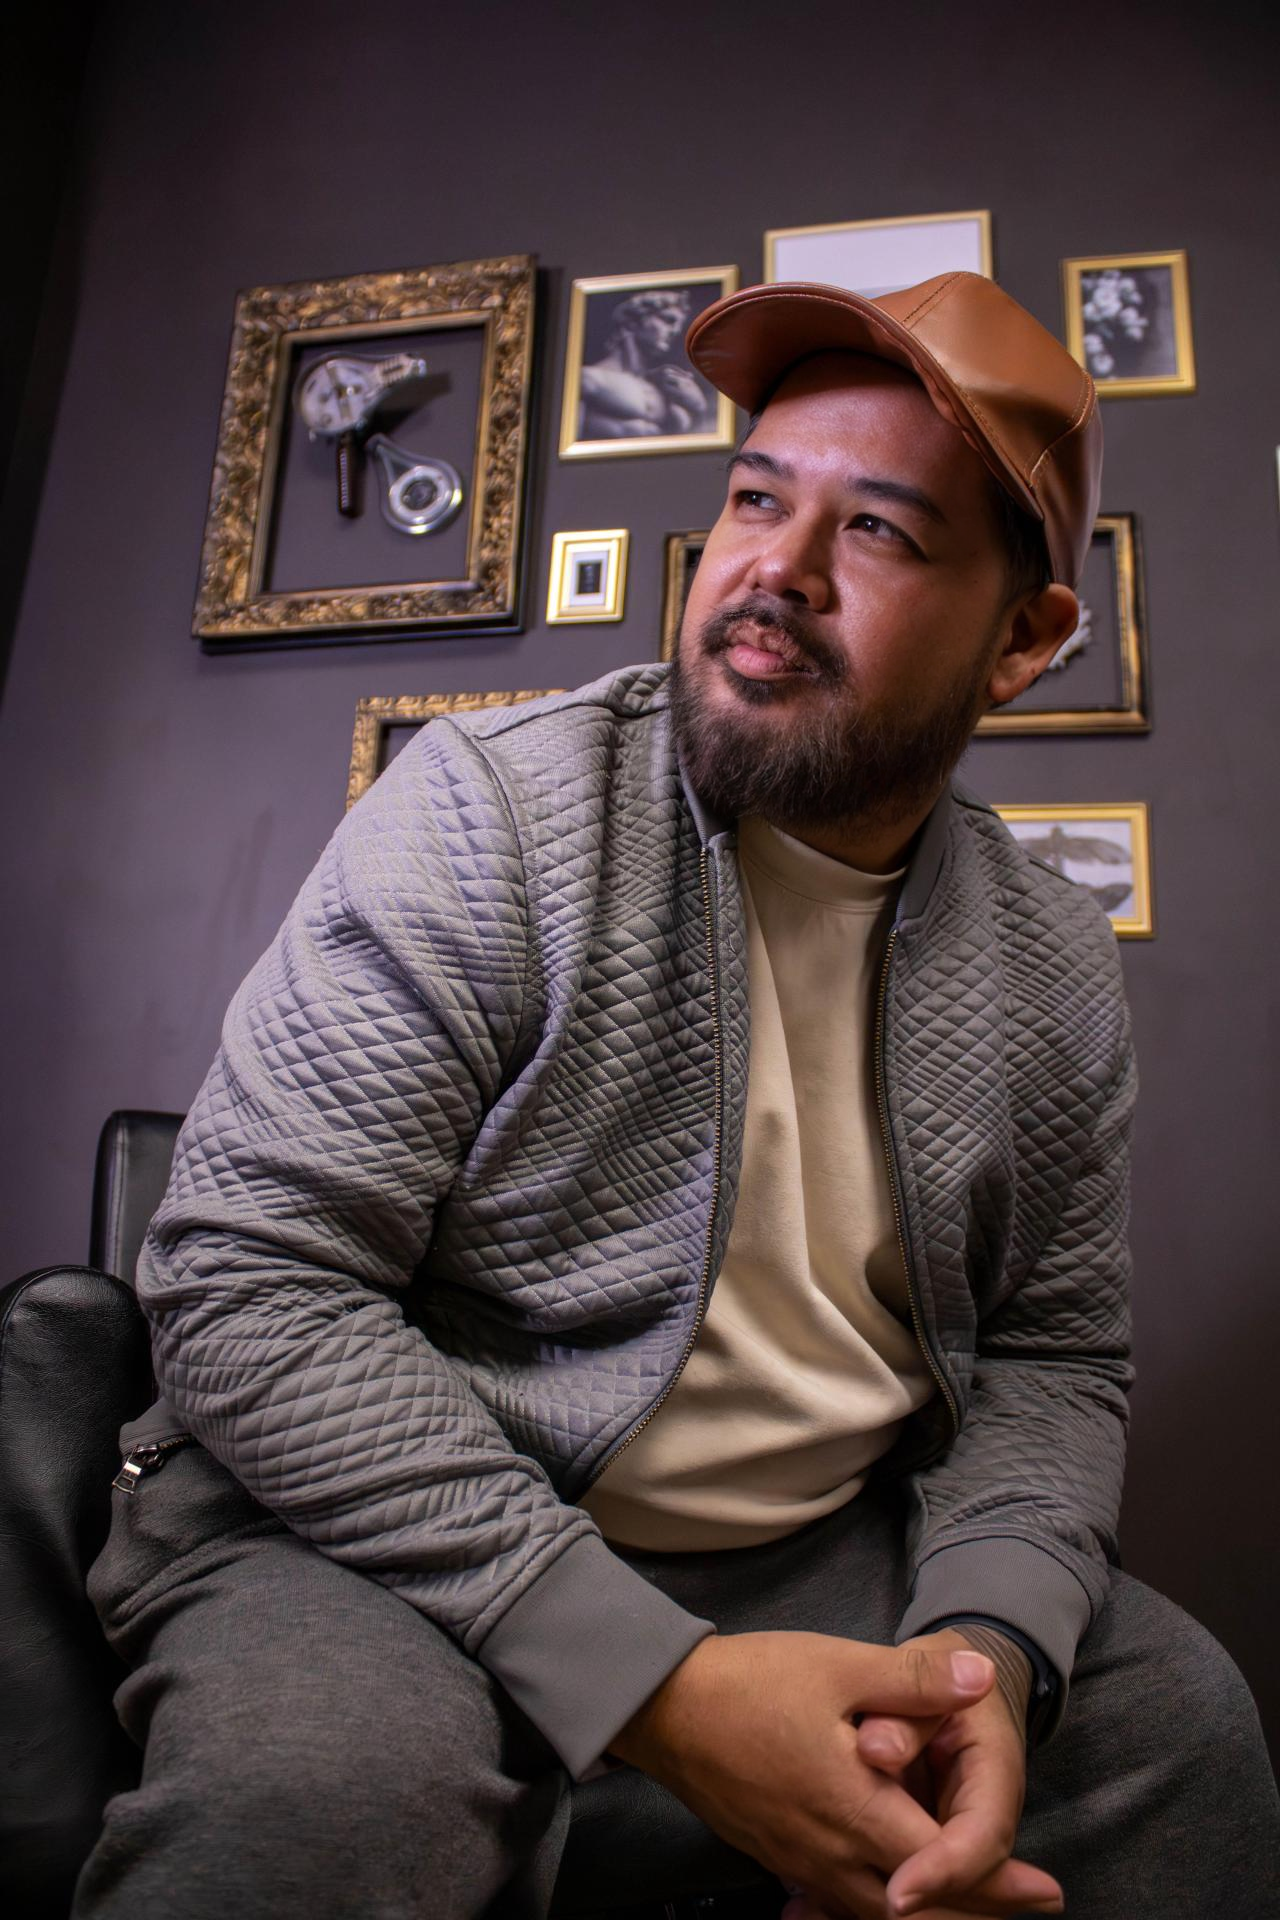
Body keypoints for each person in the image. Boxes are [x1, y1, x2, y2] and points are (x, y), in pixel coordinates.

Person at [76, 273, 1279, 1920]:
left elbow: (1052, 1361)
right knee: (330, 1809)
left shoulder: (1050, 962)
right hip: (372, 1519)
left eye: (878, 531)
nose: (774, 569)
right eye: (756, 498)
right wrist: (655, 1683)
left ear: (1022, 640)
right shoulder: (492, 814)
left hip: (817, 1543)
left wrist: (986, 1656)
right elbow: (246, 1278)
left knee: (1180, 1738)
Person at [578, 286, 717, 437]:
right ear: (633, 321)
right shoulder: (589, 379)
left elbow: (695, 440)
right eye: (668, 320)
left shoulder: (666, 388)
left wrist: (697, 407)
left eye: (678, 326)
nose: (674, 331)